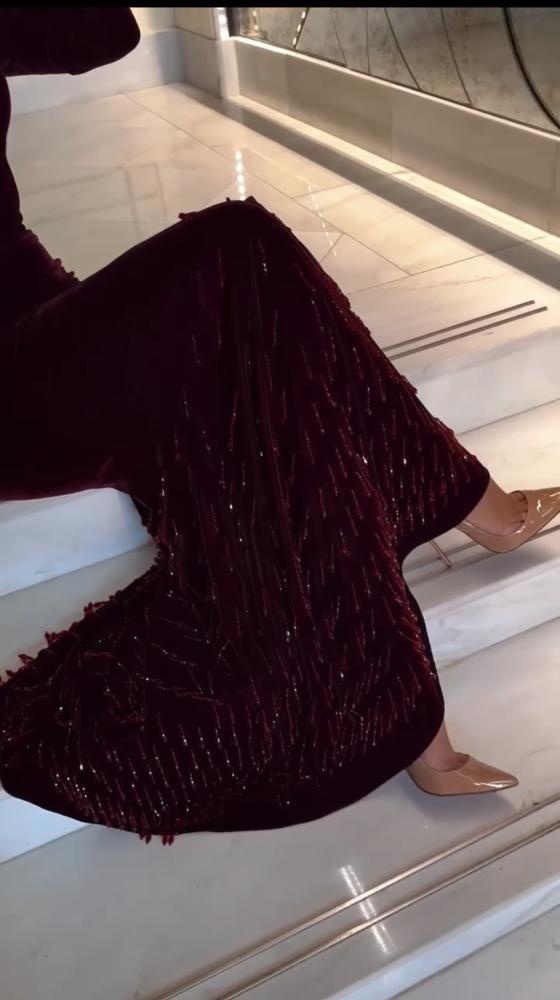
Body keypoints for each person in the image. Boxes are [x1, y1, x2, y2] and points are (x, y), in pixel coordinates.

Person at [0, 8, 558, 842]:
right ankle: (424, 645)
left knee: (253, 326)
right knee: (232, 253)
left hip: (34, 324)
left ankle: (462, 522)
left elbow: (99, 34)